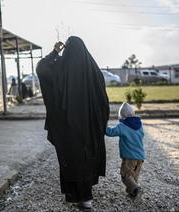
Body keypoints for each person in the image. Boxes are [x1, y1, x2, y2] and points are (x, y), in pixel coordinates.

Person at [36, 37, 109, 210]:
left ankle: (76, 196)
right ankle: (86, 197)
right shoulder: (93, 69)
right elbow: (103, 101)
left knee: (71, 159)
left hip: (67, 128)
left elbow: (41, 68)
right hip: (89, 127)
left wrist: (54, 52)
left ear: (66, 50)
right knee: (87, 157)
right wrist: (99, 124)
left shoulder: (60, 68)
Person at [105, 102, 145, 200]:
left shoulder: (122, 126)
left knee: (125, 175)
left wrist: (104, 125)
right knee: (134, 176)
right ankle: (132, 193)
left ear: (121, 116)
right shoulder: (139, 125)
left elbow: (110, 132)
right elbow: (142, 134)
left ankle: (136, 189)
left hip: (129, 157)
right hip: (140, 157)